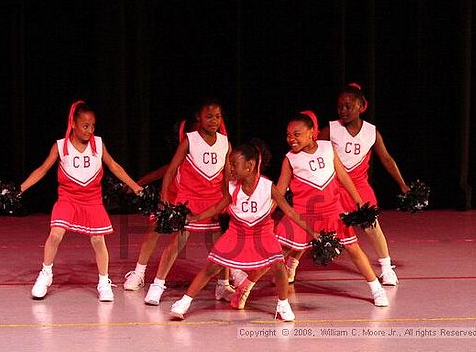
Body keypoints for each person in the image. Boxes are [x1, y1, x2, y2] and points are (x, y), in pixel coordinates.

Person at [231, 111, 389, 308]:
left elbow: (343, 176)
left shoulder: (328, 148)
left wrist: (357, 200)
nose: (291, 139)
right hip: (302, 216)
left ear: (312, 133)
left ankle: (376, 289)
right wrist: (263, 213)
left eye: (296, 134)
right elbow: (279, 191)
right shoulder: (290, 159)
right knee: (277, 254)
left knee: (353, 248)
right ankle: (245, 286)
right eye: (288, 135)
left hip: (332, 212)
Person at [169, 140, 311, 321]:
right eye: (230, 165)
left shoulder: (268, 187)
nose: (231, 169)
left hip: (262, 234)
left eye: (234, 165)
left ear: (250, 165)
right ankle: (183, 303)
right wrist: (195, 217)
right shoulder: (231, 188)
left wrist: (313, 233)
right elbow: (216, 208)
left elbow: (291, 211)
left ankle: (283, 305)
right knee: (211, 268)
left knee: (279, 267)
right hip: (236, 233)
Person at [20, 100, 143, 302]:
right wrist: (21, 188)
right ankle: (46, 273)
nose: (89, 130)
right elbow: (42, 170)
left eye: (93, 126)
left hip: (92, 200)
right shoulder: (61, 146)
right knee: (56, 233)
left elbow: (114, 166)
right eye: (85, 126)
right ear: (74, 124)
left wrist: (135, 186)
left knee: (97, 239)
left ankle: (103, 281)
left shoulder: (99, 144)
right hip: (68, 199)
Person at [144, 98, 235, 306]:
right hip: (189, 198)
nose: (214, 120)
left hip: (214, 199)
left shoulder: (225, 143)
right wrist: (165, 196)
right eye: (209, 116)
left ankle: (223, 285)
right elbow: (171, 169)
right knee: (178, 242)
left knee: (221, 243)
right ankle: (158, 285)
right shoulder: (190, 139)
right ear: (199, 117)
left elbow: (227, 176)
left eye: (218, 116)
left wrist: (229, 200)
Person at [319, 83, 409, 286]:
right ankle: (290, 268)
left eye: (348, 106)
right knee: (317, 226)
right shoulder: (330, 129)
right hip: (333, 186)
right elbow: (313, 155)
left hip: (359, 187)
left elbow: (387, 159)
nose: (343, 110)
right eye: (340, 106)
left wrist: (403, 185)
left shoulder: (371, 132)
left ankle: (386, 269)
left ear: (362, 106)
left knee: (372, 226)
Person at [123, 119, 197, 291]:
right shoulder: (184, 151)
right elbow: (164, 171)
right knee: (155, 228)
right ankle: (139, 272)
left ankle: (230, 276)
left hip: (195, 197)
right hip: (173, 193)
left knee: (215, 231)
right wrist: (138, 183)